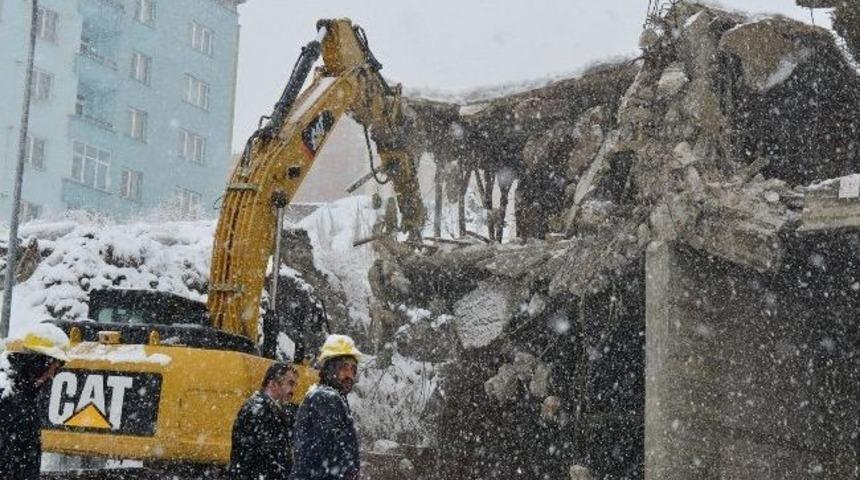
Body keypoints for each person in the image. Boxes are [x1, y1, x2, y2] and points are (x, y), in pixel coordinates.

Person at [0, 324, 70, 480]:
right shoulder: (9, 395)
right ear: (42, 362)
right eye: (55, 368)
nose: (53, 375)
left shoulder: (25, 392)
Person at [290, 335, 361, 480]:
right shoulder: (326, 398)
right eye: (344, 367)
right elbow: (329, 452)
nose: (350, 375)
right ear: (330, 369)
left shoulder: (328, 396)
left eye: (353, 369)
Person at [229, 361, 299, 480]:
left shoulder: (269, 409)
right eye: (290, 383)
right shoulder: (258, 411)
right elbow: (262, 457)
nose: (293, 390)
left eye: (294, 385)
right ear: (273, 384)